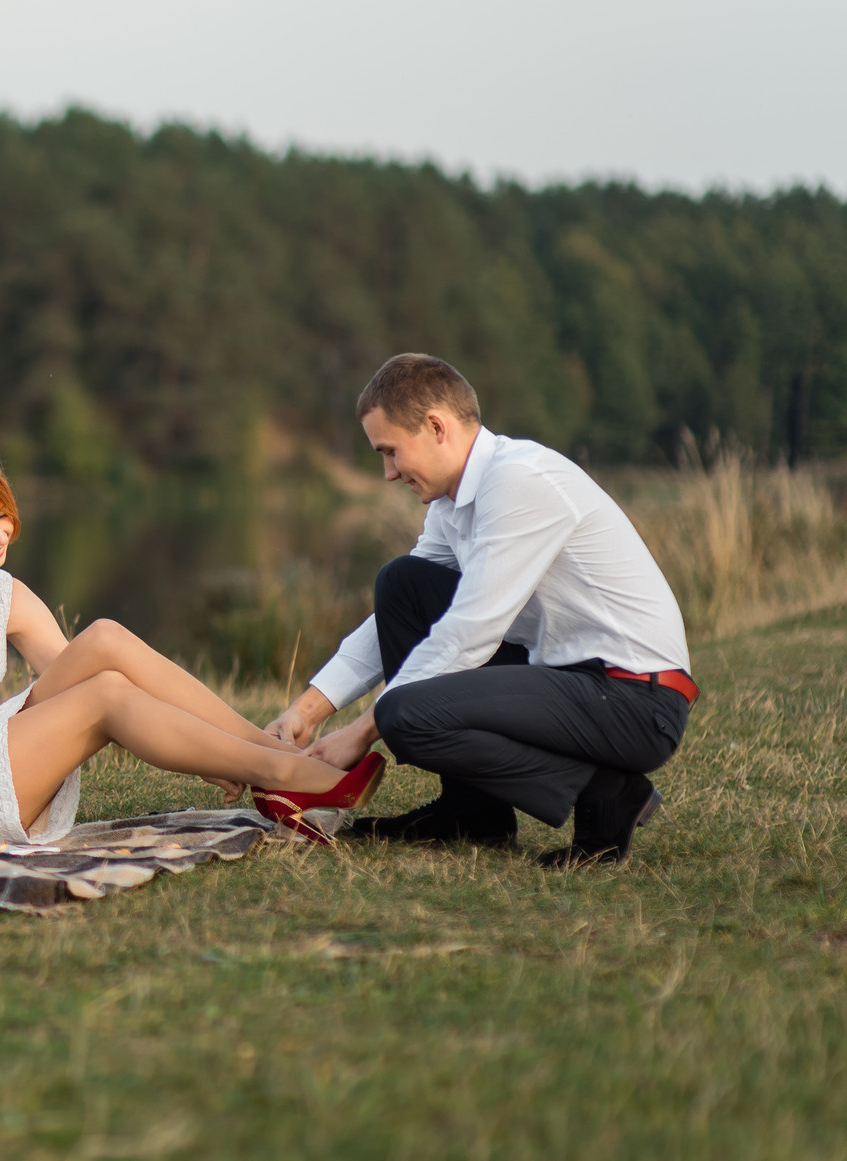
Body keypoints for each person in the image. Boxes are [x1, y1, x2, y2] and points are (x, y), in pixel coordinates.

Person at [0, 440, 375, 848]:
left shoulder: (2, 592)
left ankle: (275, 758)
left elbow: (72, 676)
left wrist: (204, 752)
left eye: (2, 517)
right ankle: (285, 777)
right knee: (105, 698)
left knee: (103, 643)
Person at [266, 354, 693, 867]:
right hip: (571, 681)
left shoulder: (519, 481)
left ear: (436, 427)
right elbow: (401, 617)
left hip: (633, 702)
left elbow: (472, 630)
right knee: (402, 584)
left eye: (391, 452)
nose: (387, 473)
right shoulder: (453, 501)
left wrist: (361, 732)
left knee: (405, 714)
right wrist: (308, 711)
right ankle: (473, 814)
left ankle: (607, 794)